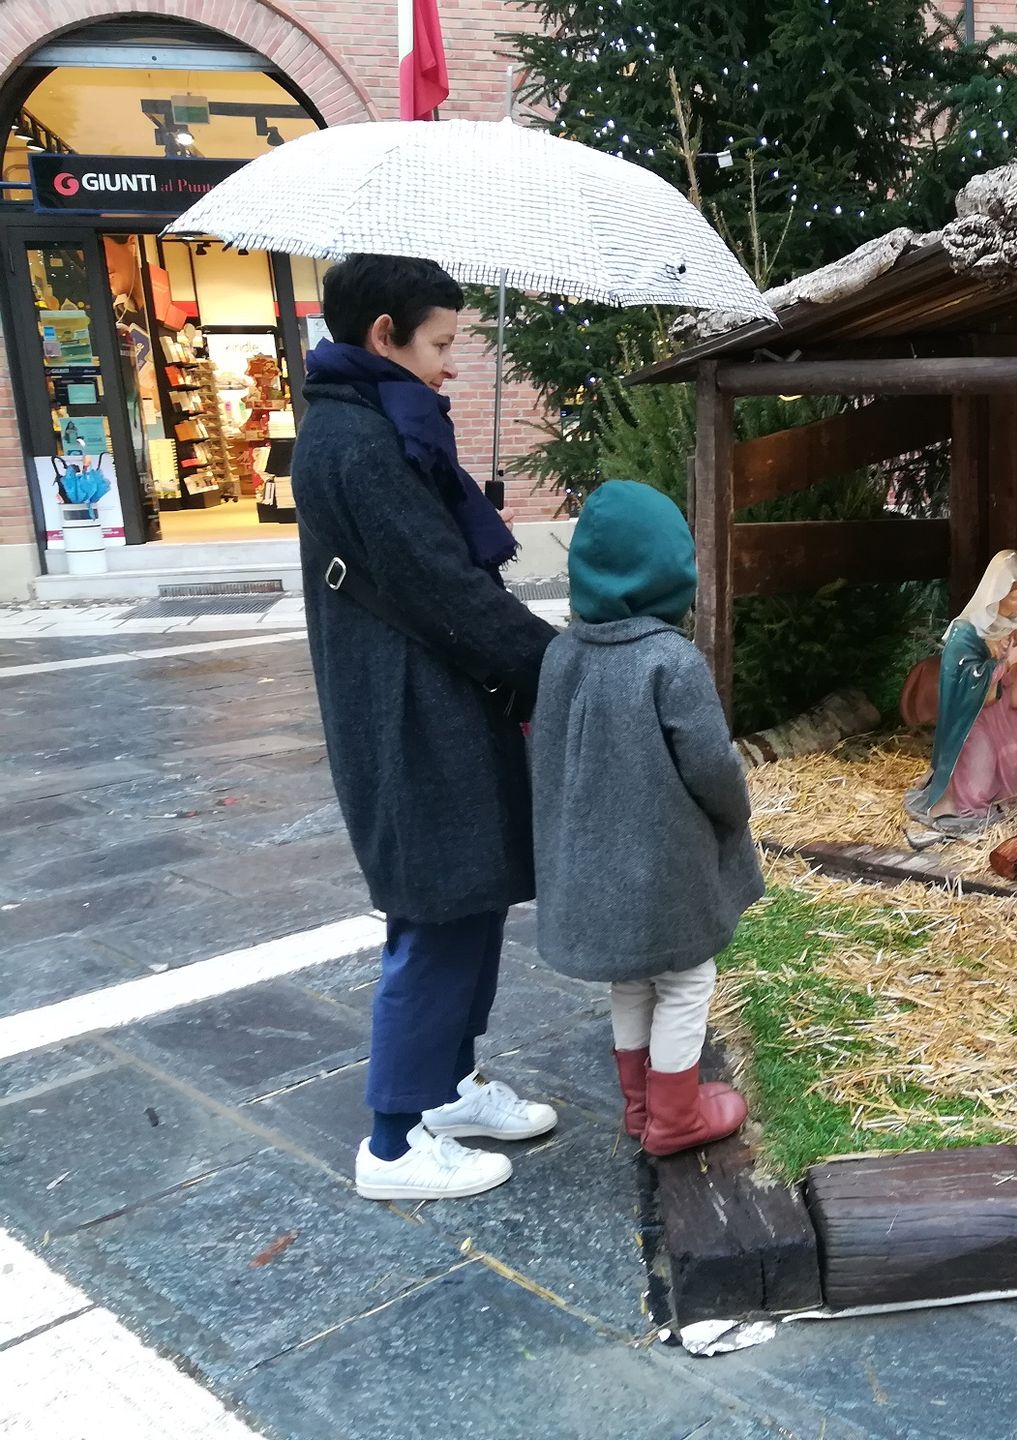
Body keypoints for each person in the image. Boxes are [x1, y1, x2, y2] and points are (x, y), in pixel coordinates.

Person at [294, 254, 560, 1202]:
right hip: (407, 710)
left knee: (469, 896)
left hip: (435, 697)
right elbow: (440, 587)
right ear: (384, 336)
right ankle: (394, 1144)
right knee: (439, 909)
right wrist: (556, 662)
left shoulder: (382, 422)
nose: (451, 363)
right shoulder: (359, 443)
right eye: (442, 343)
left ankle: (447, 1090)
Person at [529, 480, 762, 1154]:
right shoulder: (670, 661)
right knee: (687, 978)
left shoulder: (562, 654)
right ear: (670, 572)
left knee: (630, 978)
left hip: (598, 866)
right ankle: (677, 1116)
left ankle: (642, 1108)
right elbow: (712, 767)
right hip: (664, 867)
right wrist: (734, 815)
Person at [904, 550, 1017, 837]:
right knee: (978, 783)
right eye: (1016, 598)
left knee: (1013, 766)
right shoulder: (967, 631)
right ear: (996, 593)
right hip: (975, 719)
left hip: (1009, 712)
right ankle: (965, 804)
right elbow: (960, 678)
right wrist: (1004, 664)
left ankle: (1009, 801)